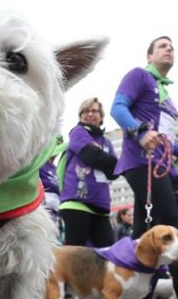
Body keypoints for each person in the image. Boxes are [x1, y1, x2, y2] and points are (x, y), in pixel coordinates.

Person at [111, 36, 178, 298]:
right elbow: (117, 108)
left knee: (142, 233)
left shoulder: (167, 97)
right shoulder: (139, 76)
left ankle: (134, 289)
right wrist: (139, 132)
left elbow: (167, 142)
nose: (169, 49)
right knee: (172, 225)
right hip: (141, 163)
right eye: (162, 46)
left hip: (159, 165)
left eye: (172, 47)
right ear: (149, 56)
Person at [59, 98, 118, 247]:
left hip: (101, 205)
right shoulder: (78, 132)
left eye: (94, 111)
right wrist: (109, 161)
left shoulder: (107, 142)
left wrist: (109, 162)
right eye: (85, 111)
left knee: (107, 254)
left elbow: (115, 172)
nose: (90, 114)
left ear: (101, 116)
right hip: (77, 202)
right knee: (75, 254)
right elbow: (90, 155)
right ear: (80, 116)